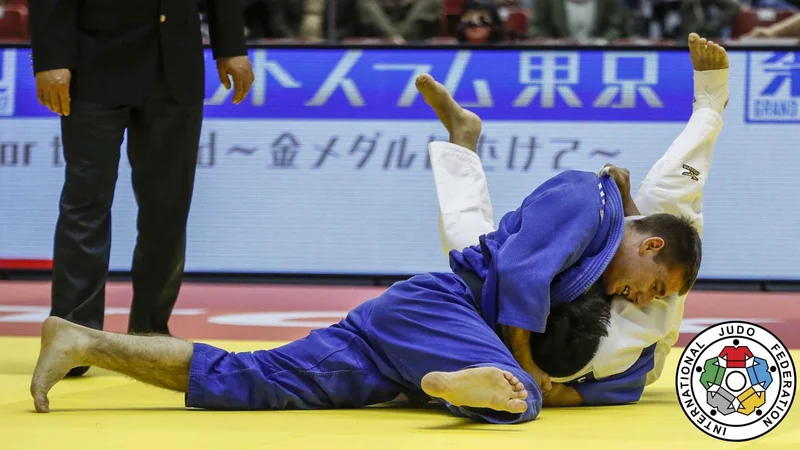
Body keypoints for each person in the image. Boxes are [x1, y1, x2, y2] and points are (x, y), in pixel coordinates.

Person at [430, 33, 729, 406]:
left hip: (623, 347)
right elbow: (638, 249)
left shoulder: (634, 346)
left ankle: (463, 140)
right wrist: (624, 205)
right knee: (670, 200)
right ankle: (710, 104)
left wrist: (532, 384)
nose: (640, 299)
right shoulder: (634, 271)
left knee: (461, 238)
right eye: (651, 288)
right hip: (631, 265)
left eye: (652, 292)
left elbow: (573, 395)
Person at [28, 1, 255, 377]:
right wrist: (50, 58)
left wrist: (231, 46)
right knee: (86, 202)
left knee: (168, 207)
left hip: (175, 64)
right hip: (92, 64)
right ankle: (73, 334)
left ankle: (150, 333)